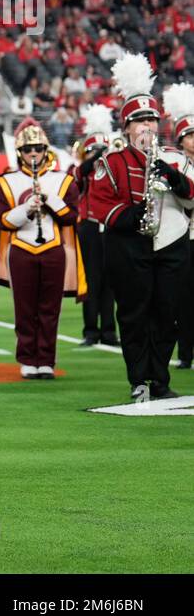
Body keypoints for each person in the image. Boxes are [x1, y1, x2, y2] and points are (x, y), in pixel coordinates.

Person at [94, 54, 194, 402]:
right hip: (130, 245)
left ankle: (161, 379)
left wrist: (176, 180)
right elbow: (100, 203)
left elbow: (193, 197)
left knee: (168, 314)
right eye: (139, 121)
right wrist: (131, 215)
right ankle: (138, 378)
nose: (147, 127)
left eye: (152, 119)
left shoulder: (176, 158)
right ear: (127, 128)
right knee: (135, 315)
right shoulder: (112, 161)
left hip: (171, 242)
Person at [0, 119, 86, 379]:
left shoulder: (62, 181)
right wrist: (26, 209)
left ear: (46, 150)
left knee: (49, 308)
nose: (33, 153)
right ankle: (27, 358)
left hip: (53, 249)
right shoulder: (7, 182)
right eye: (27, 149)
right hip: (21, 250)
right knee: (24, 308)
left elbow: (70, 217)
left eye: (37, 148)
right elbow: (1, 221)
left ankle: (46, 359)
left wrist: (49, 200)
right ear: (19, 153)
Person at [72, 104, 118, 348]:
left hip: (108, 227)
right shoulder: (82, 170)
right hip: (89, 228)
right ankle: (91, 330)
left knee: (110, 282)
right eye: (94, 151)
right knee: (91, 280)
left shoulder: (113, 169)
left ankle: (109, 331)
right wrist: (91, 161)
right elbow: (74, 184)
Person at [163, 85, 194, 371]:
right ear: (182, 139)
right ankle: (185, 352)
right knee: (184, 298)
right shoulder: (178, 165)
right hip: (185, 237)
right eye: (191, 136)